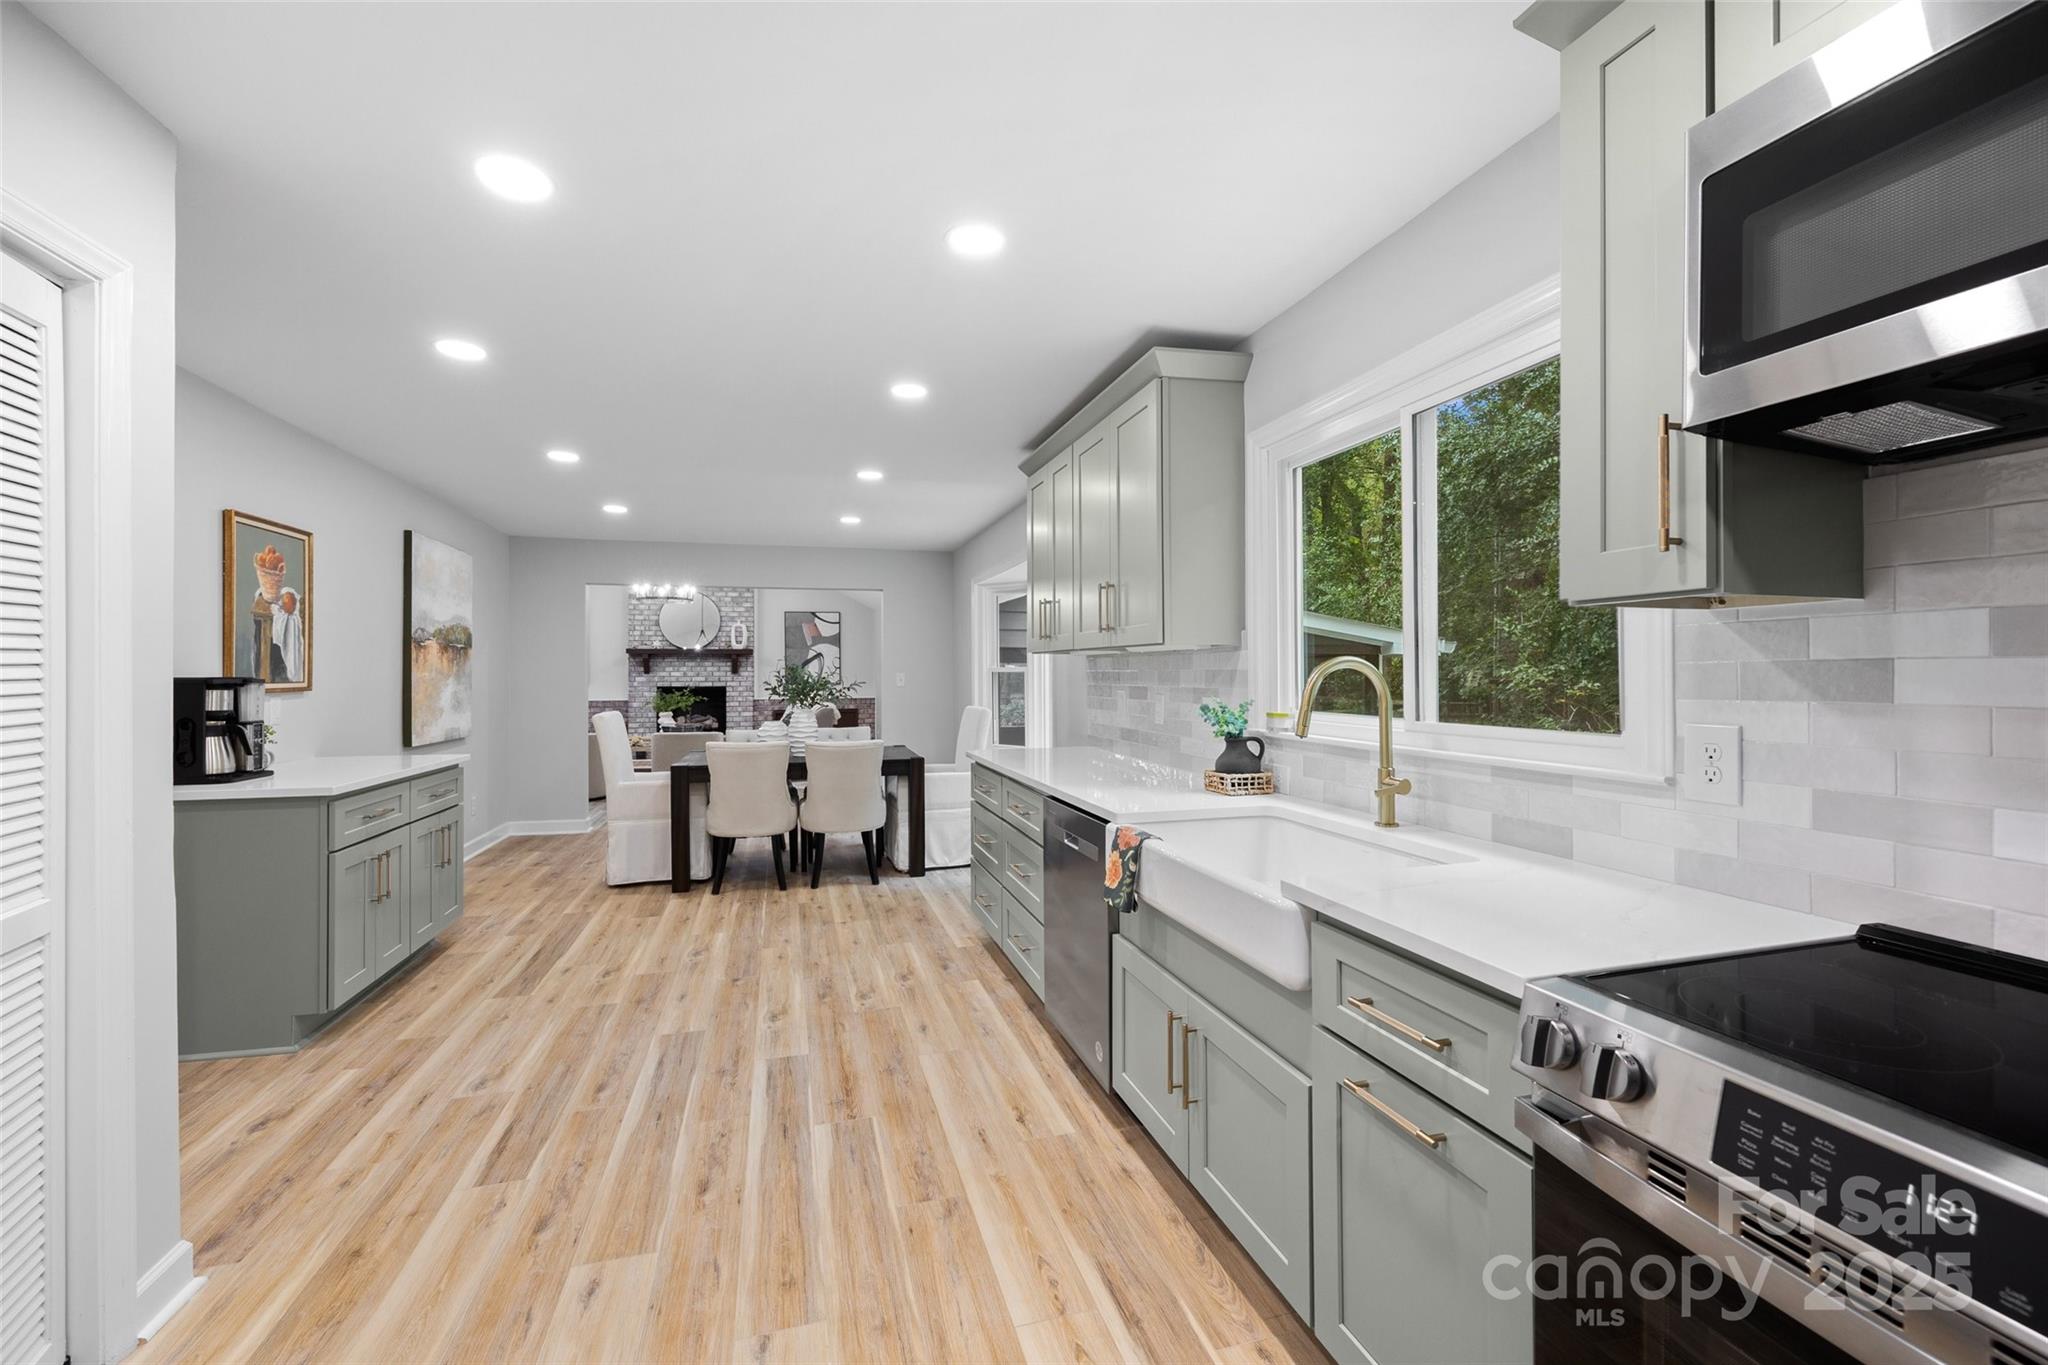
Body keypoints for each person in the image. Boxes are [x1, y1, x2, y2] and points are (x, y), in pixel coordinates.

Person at [271, 587, 304, 683]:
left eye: (288, 601)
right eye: (284, 601)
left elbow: (289, 609)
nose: (285, 604)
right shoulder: (280, 614)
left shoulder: (293, 620)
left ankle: (293, 676)